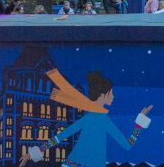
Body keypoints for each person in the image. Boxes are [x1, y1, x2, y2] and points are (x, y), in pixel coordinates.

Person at [22, 70, 152, 167]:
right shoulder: (100, 120)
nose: (113, 96)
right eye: (111, 93)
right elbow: (128, 144)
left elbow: (59, 137)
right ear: (103, 94)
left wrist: (33, 153)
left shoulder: (92, 118)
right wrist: (138, 124)